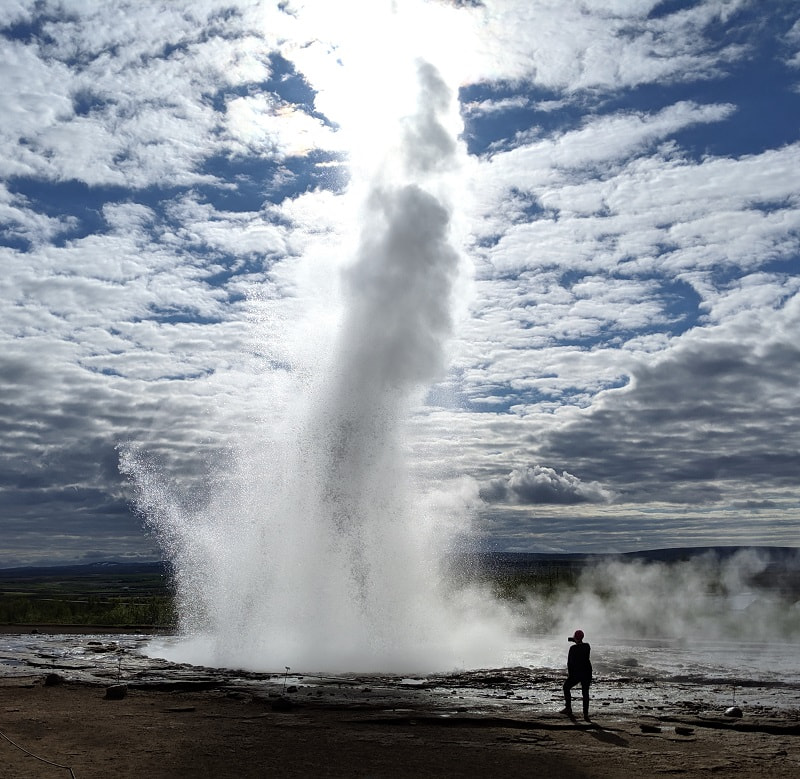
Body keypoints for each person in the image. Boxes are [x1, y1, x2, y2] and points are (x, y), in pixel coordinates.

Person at [562, 628, 592, 720]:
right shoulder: (587, 646)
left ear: (575, 638)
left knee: (566, 687)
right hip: (587, 673)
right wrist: (576, 641)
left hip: (577, 673)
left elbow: (569, 664)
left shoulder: (572, 648)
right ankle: (585, 714)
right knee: (585, 693)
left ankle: (568, 708)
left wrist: (570, 675)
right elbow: (581, 647)